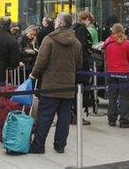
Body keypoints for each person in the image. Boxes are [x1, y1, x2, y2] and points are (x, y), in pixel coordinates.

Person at [28, 12, 82, 154]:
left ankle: (38, 145)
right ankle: (60, 146)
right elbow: (79, 64)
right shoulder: (76, 42)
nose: (55, 22)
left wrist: (33, 75)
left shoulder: (49, 39)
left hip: (50, 86)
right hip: (68, 86)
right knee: (64, 118)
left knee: (45, 116)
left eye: (57, 20)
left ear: (60, 23)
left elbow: (41, 61)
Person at [103, 23, 129, 128]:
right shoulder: (126, 43)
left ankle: (111, 120)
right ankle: (124, 121)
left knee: (112, 97)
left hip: (111, 72)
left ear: (112, 31)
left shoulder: (107, 42)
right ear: (123, 31)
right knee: (124, 97)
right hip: (124, 72)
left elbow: (105, 57)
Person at [71, 12, 94, 125]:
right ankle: (77, 116)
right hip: (81, 66)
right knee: (80, 91)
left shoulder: (73, 29)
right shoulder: (81, 30)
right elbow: (81, 47)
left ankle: (73, 114)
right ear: (86, 19)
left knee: (75, 91)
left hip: (75, 66)